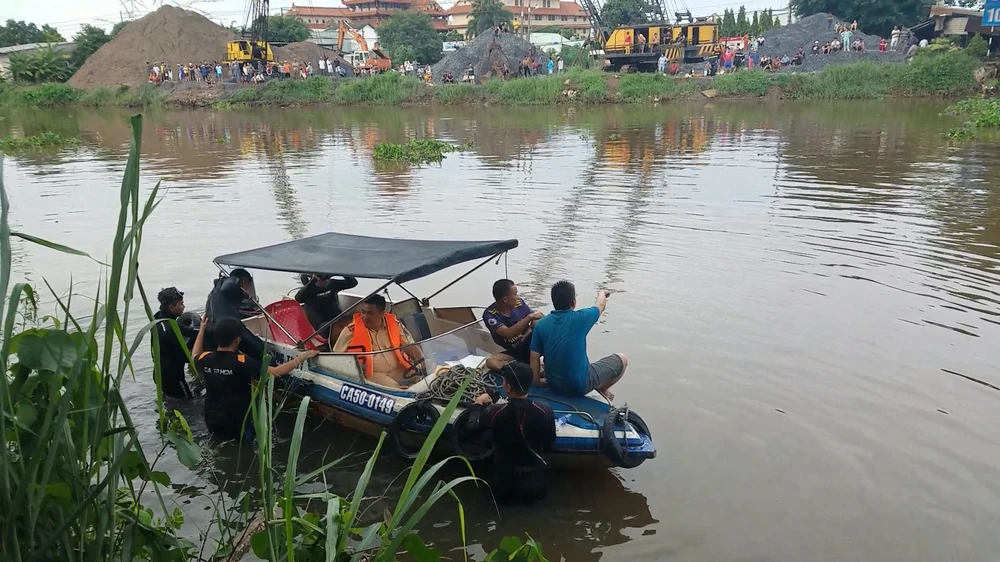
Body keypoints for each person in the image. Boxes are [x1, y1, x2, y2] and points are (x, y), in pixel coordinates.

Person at [193, 316, 317, 441]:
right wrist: (302, 357)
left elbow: (195, 354)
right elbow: (276, 372)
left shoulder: (205, 358)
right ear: (237, 340)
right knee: (246, 448)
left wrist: (202, 330)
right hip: (238, 423)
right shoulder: (241, 361)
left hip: (212, 420)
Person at [472, 361, 556, 506]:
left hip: (504, 487)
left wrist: (478, 404)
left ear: (508, 387)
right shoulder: (545, 410)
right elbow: (549, 442)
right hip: (536, 487)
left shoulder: (494, 412)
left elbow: (472, 427)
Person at [529, 281, 627, 401]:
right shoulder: (581, 318)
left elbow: (534, 357)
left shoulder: (541, 324)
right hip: (579, 386)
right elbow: (601, 305)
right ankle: (602, 389)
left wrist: (537, 382)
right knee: (623, 359)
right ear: (573, 302)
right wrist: (602, 293)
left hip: (553, 383)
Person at [332, 295, 423, 388]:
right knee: (394, 388)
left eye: (370, 313)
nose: (364, 317)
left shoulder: (395, 324)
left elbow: (411, 346)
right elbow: (336, 358)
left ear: (382, 313)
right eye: (363, 312)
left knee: (424, 377)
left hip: (398, 369)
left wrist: (423, 363)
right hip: (372, 374)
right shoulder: (351, 331)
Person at [204, 269, 264, 358]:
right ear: (244, 281)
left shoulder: (216, 289)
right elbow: (228, 287)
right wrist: (244, 294)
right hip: (224, 328)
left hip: (212, 329)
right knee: (260, 348)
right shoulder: (229, 282)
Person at [483, 279, 542, 371]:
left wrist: (526, 334)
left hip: (531, 346)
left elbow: (537, 318)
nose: (518, 297)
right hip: (514, 352)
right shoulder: (490, 315)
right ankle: (521, 370)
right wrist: (529, 317)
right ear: (505, 299)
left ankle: (530, 366)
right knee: (491, 362)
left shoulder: (520, 303)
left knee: (537, 322)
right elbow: (508, 333)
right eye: (515, 294)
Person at [152, 287, 198, 399]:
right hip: (172, 377)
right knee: (188, 402)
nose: (184, 306)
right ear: (171, 306)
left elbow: (184, 330)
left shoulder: (158, 318)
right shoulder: (169, 331)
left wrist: (201, 328)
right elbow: (185, 356)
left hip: (158, 372)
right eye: (181, 304)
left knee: (170, 400)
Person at [295, 273, 359, 330]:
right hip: (322, 324)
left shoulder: (332, 284)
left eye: (328, 279)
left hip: (338, 317)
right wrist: (313, 281)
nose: (326, 282)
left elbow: (353, 283)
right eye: (323, 280)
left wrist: (340, 272)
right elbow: (298, 298)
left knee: (358, 320)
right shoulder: (308, 290)